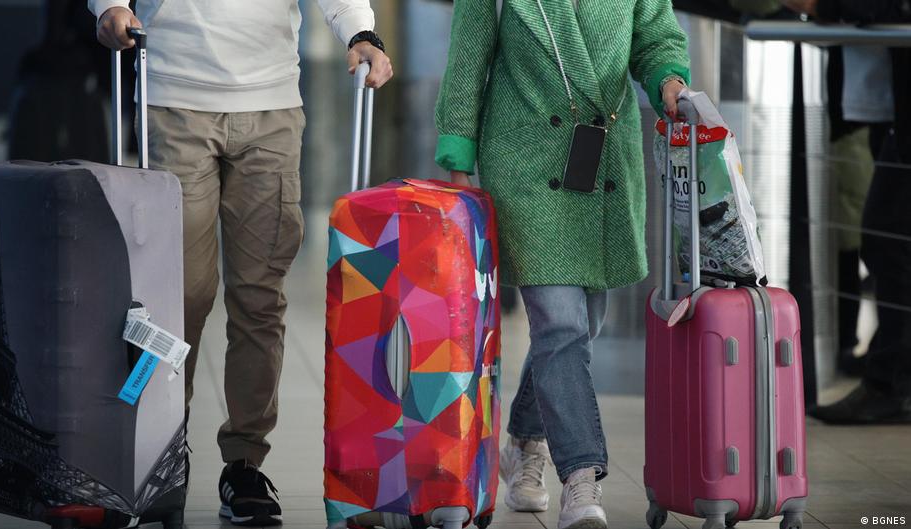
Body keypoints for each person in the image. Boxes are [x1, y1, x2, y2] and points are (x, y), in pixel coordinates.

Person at [90, 0, 392, 525]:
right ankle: (161, 450)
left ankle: (245, 462)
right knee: (178, 294)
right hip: (175, 95)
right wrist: (110, 6)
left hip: (271, 104)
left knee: (259, 297)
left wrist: (360, 32)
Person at [434, 0, 689, 527]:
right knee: (560, 325)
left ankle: (525, 441)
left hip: (602, 160)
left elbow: (655, 33)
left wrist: (668, 80)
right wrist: (459, 156)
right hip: (524, 157)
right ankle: (581, 475)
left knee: (580, 326)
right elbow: (469, 54)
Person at [781, 0, 911, 423]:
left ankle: (891, 385)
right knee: (886, 239)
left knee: (885, 237)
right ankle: (890, 379)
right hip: (884, 102)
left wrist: (824, 4)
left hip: (892, 102)